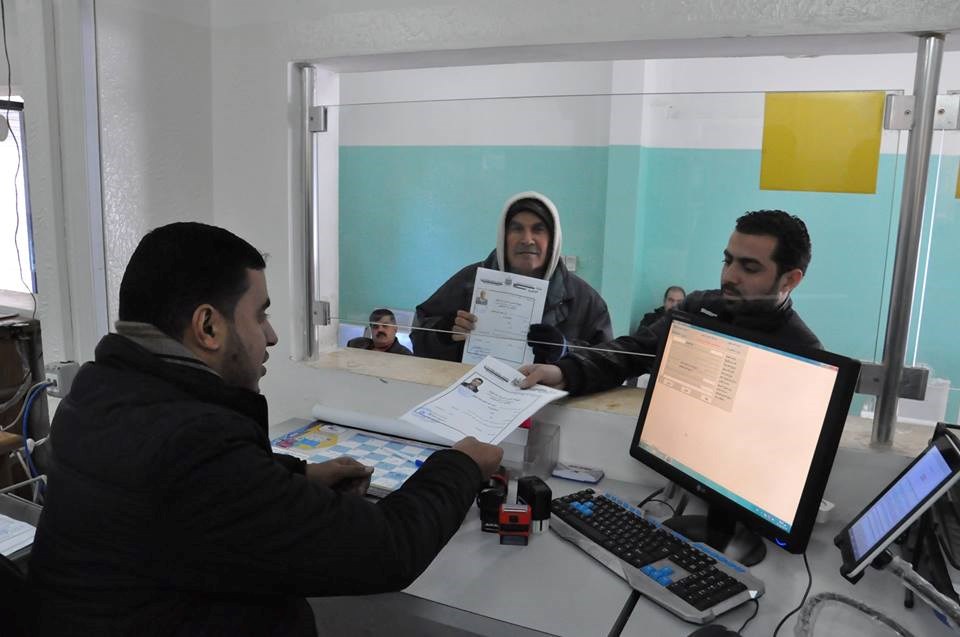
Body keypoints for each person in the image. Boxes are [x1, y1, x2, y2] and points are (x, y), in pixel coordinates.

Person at [28, 222, 503, 636]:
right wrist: (462, 465)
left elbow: (177, 483)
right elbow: (388, 549)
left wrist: (297, 476)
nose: (272, 335)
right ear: (208, 327)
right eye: (261, 315)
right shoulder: (195, 448)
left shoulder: (94, 396)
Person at [519, 210, 821, 396]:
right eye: (727, 261)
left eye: (750, 268)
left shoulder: (806, 356)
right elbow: (630, 352)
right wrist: (565, 371)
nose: (729, 276)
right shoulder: (700, 309)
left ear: (790, 280)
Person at [412, 191, 613, 363]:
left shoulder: (584, 300)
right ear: (503, 236)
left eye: (538, 229)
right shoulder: (468, 281)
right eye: (517, 229)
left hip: (551, 397)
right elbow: (419, 334)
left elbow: (608, 363)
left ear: (553, 239)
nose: (527, 239)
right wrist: (442, 334)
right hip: (475, 391)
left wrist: (566, 350)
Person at [347, 307, 413, 355]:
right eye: (375, 326)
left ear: (395, 328)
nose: (380, 329)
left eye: (385, 326)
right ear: (371, 329)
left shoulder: (405, 355)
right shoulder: (355, 345)